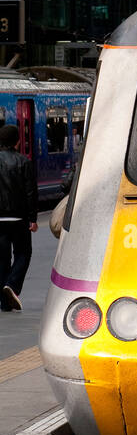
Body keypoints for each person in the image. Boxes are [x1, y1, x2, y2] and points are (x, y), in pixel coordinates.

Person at [0, 123, 38, 311]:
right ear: (17, 141)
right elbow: (31, 192)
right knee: (23, 253)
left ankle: (4, 303)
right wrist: (33, 218)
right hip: (19, 219)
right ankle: (12, 286)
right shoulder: (24, 162)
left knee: (2, 259)